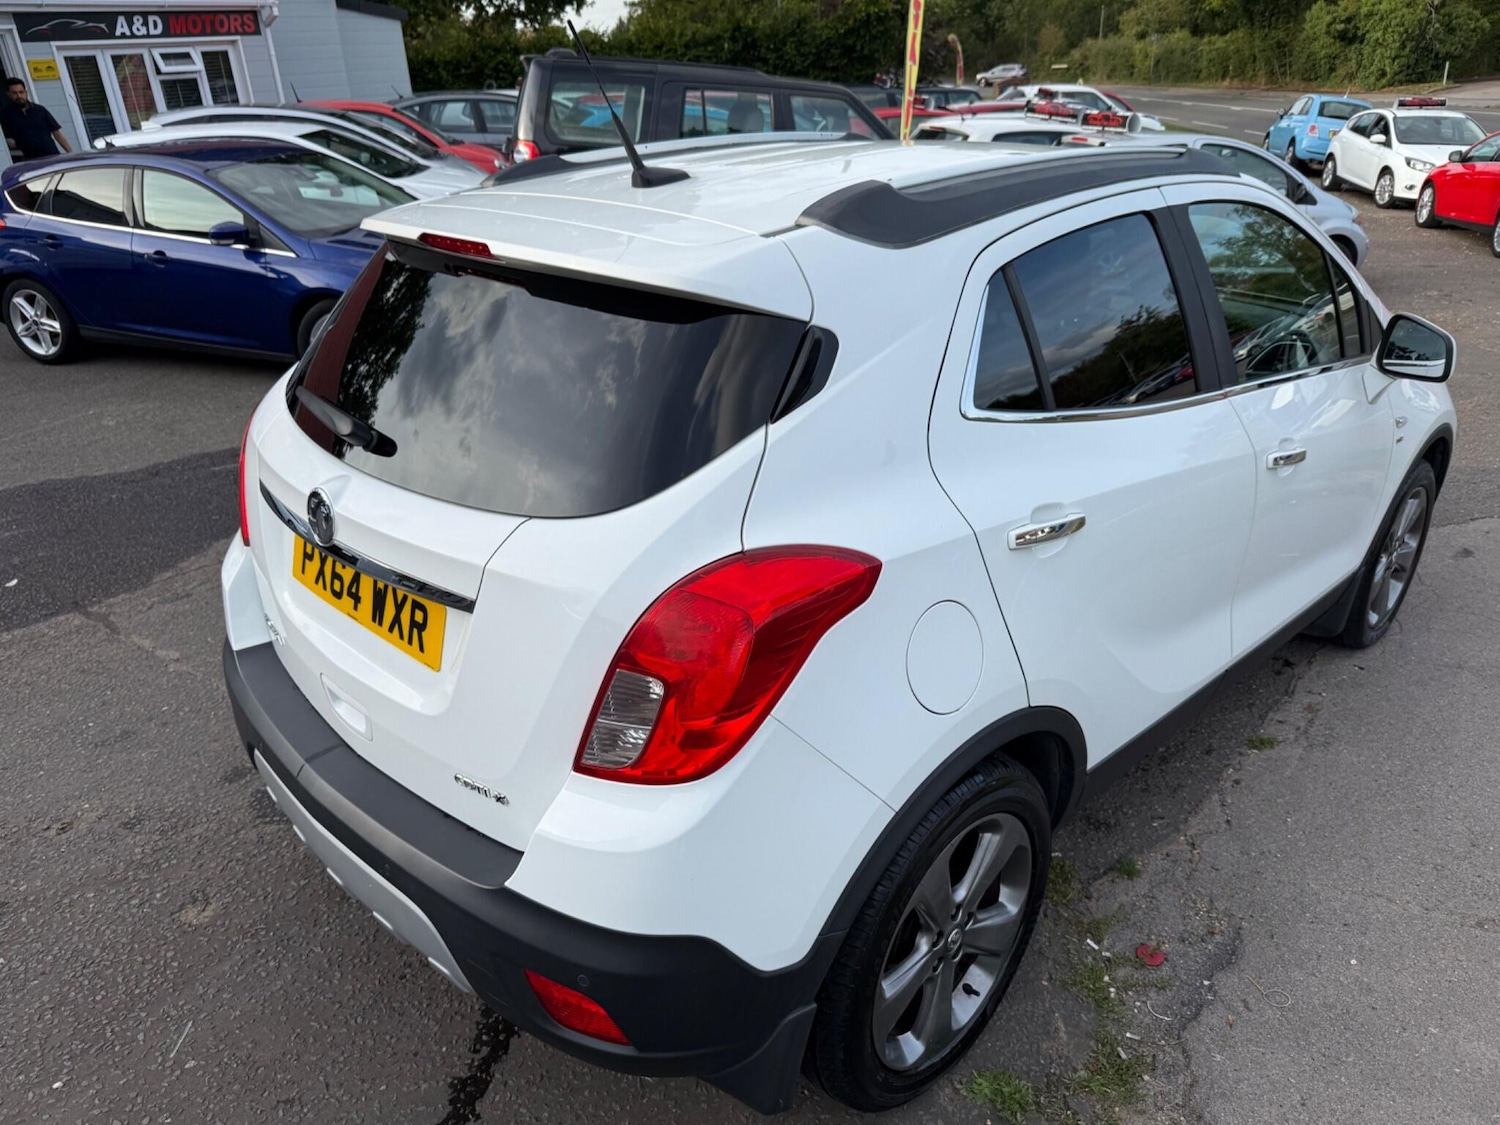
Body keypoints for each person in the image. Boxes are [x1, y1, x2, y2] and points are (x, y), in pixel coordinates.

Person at [1, 77, 71, 160]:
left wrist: (70, 153)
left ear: (26, 92)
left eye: (21, 92)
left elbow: (57, 133)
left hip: (51, 155)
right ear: (8, 94)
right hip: (28, 159)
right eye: (14, 93)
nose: (19, 96)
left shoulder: (40, 110)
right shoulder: (6, 114)